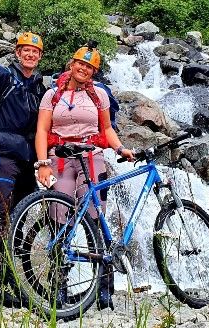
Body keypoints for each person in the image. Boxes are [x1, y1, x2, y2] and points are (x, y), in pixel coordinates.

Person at [34, 44, 134, 310]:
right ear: (72, 63)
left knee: (95, 216)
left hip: (92, 157)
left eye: (89, 67)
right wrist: (43, 164)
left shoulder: (99, 94)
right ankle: (60, 285)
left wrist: (120, 148)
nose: (84, 69)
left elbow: (107, 128)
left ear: (94, 71)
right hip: (61, 159)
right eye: (81, 63)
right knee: (59, 216)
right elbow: (42, 131)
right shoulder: (52, 94)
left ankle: (104, 287)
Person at [0, 32, 47, 310]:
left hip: (28, 159)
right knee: (1, 216)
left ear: (40, 56)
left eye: (35, 52)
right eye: (25, 50)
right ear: (17, 53)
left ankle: (8, 282)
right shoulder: (1, 76)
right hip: (2, 154)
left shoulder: (38, 86)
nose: (30, 55)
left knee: (19, 220)